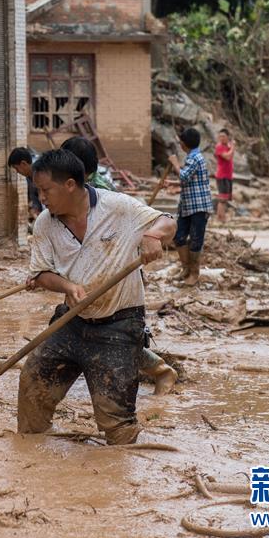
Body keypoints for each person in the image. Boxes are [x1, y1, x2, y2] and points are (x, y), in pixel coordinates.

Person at [20, 149, 176, 443]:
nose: (41, 197)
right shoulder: (45, 223)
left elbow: (168, 220)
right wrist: (67, 286)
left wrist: (153, 235)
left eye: (45, 190)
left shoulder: (117, 208)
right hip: (71, 321)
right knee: (32, 392)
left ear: (69, 184)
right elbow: (40, 273)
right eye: (38, 190)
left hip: (118, 326)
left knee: (118, 428)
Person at [58, 138, 175, 392]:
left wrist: (152, 235)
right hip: (86, 277)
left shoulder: (102, 194)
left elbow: (163, 220)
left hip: (116, 272)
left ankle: (162, 371)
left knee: (118, 339)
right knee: (68, 332)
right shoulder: (63, 200)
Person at [167, 127, 212, 286]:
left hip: (198, 207)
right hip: (188, 206)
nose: (180, 145)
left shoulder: (195, 157)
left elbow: (185, 176)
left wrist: (174, 163)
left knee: (195, 240)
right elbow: (189, 180)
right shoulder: (192, 157)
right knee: (179, 236)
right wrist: (172, 184)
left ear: (185, 144)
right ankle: (186, 268)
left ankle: (194, 273)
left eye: (181, 142)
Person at [8, 147, 43, 217]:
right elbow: (34, 197)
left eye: (17, 168)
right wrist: (35, 209)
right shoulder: (29, 178)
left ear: (23, 164)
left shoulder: (42, 173)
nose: (17, 172)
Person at [214, 128, 234, 222]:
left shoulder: (228, 146)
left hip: (228, 175)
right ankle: (220, 218)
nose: (221, 138)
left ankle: (223, 217)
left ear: (227, 137)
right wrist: (233, 147)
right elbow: (228, 156)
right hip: (222, 175)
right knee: (222, 199)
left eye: (223, 136)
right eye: (220, 136)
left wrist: (231, 146)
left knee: (225, 199)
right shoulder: (219, 147)